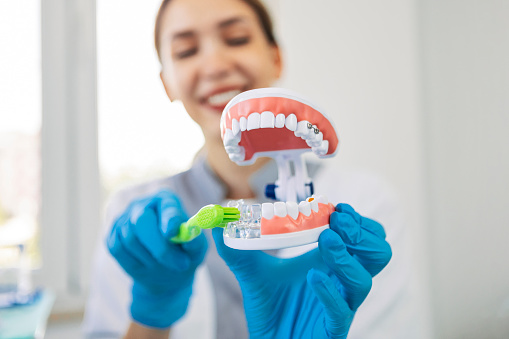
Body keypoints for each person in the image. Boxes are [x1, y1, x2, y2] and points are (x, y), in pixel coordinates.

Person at [82, 0, 428, 338]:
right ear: (167, 83)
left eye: (237, 39)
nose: (215, 65)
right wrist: (152, 314)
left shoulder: (367, 203)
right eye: (186, 51)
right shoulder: (133, 219)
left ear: (275, 58)